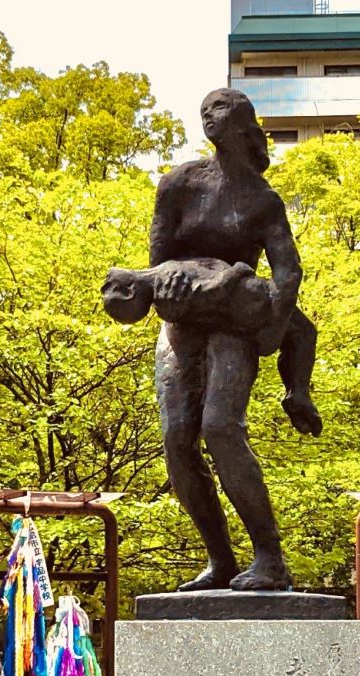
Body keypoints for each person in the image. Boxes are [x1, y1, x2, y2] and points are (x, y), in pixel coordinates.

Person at [140, 87, 316, 591]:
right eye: (204, 110)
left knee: (220, 426)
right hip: (181, 321)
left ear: (242, 123)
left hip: (234, 321)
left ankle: (269, 559)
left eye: (219, 108)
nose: (208, 116)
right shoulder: (178, 184)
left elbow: (289, 270)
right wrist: (166, 280)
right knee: (177, 442)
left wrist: (270, 332)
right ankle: (220, 561)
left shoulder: (263, 200)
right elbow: (155, 260)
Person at [101, 259, 321, 438]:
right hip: (254, 303)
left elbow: (212, 286)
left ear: (130, 291)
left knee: (302, 336)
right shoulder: (168, 287)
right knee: (303, 335)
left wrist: (235, 272)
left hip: (253, 305)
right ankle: (297, 393)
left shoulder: (168, 279)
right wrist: (238, 270)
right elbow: (214, 284)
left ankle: (297, 393)